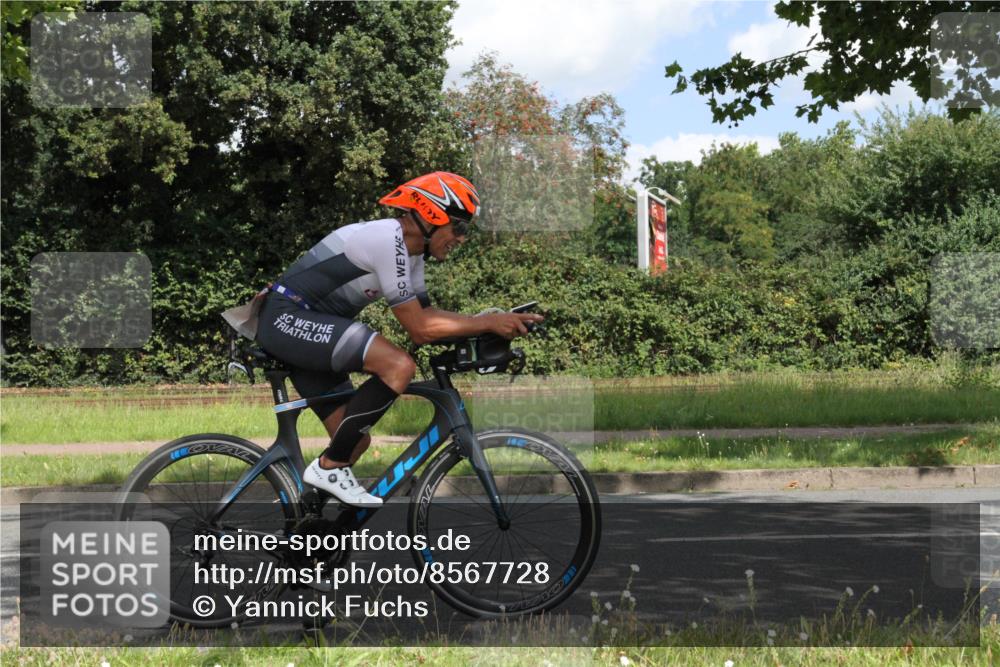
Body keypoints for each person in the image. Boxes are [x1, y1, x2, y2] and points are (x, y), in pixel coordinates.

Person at [250, 172, 542, 507]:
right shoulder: (386, 239)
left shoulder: (411, 255)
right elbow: (420, 328)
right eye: (459, 227)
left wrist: (485, 327)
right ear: (432, 215)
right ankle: (330, 467)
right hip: (286, 318)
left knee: (353, 442)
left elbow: (428, 317)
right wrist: (487, 322)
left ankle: (306, 525)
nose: (461, 239)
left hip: (310, 328)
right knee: (398, 366)